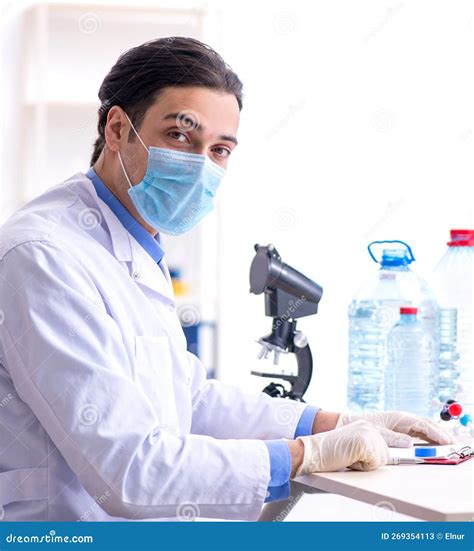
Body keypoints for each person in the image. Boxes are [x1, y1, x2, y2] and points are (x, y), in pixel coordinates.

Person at [0, 37, 452, 522]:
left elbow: (185, 398)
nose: (200, 165)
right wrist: (305, 456)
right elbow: (130, 471)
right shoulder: (43, 255)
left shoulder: (133, 241)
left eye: (219, 150)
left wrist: (333, 422)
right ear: (116, 128)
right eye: (179, 136)